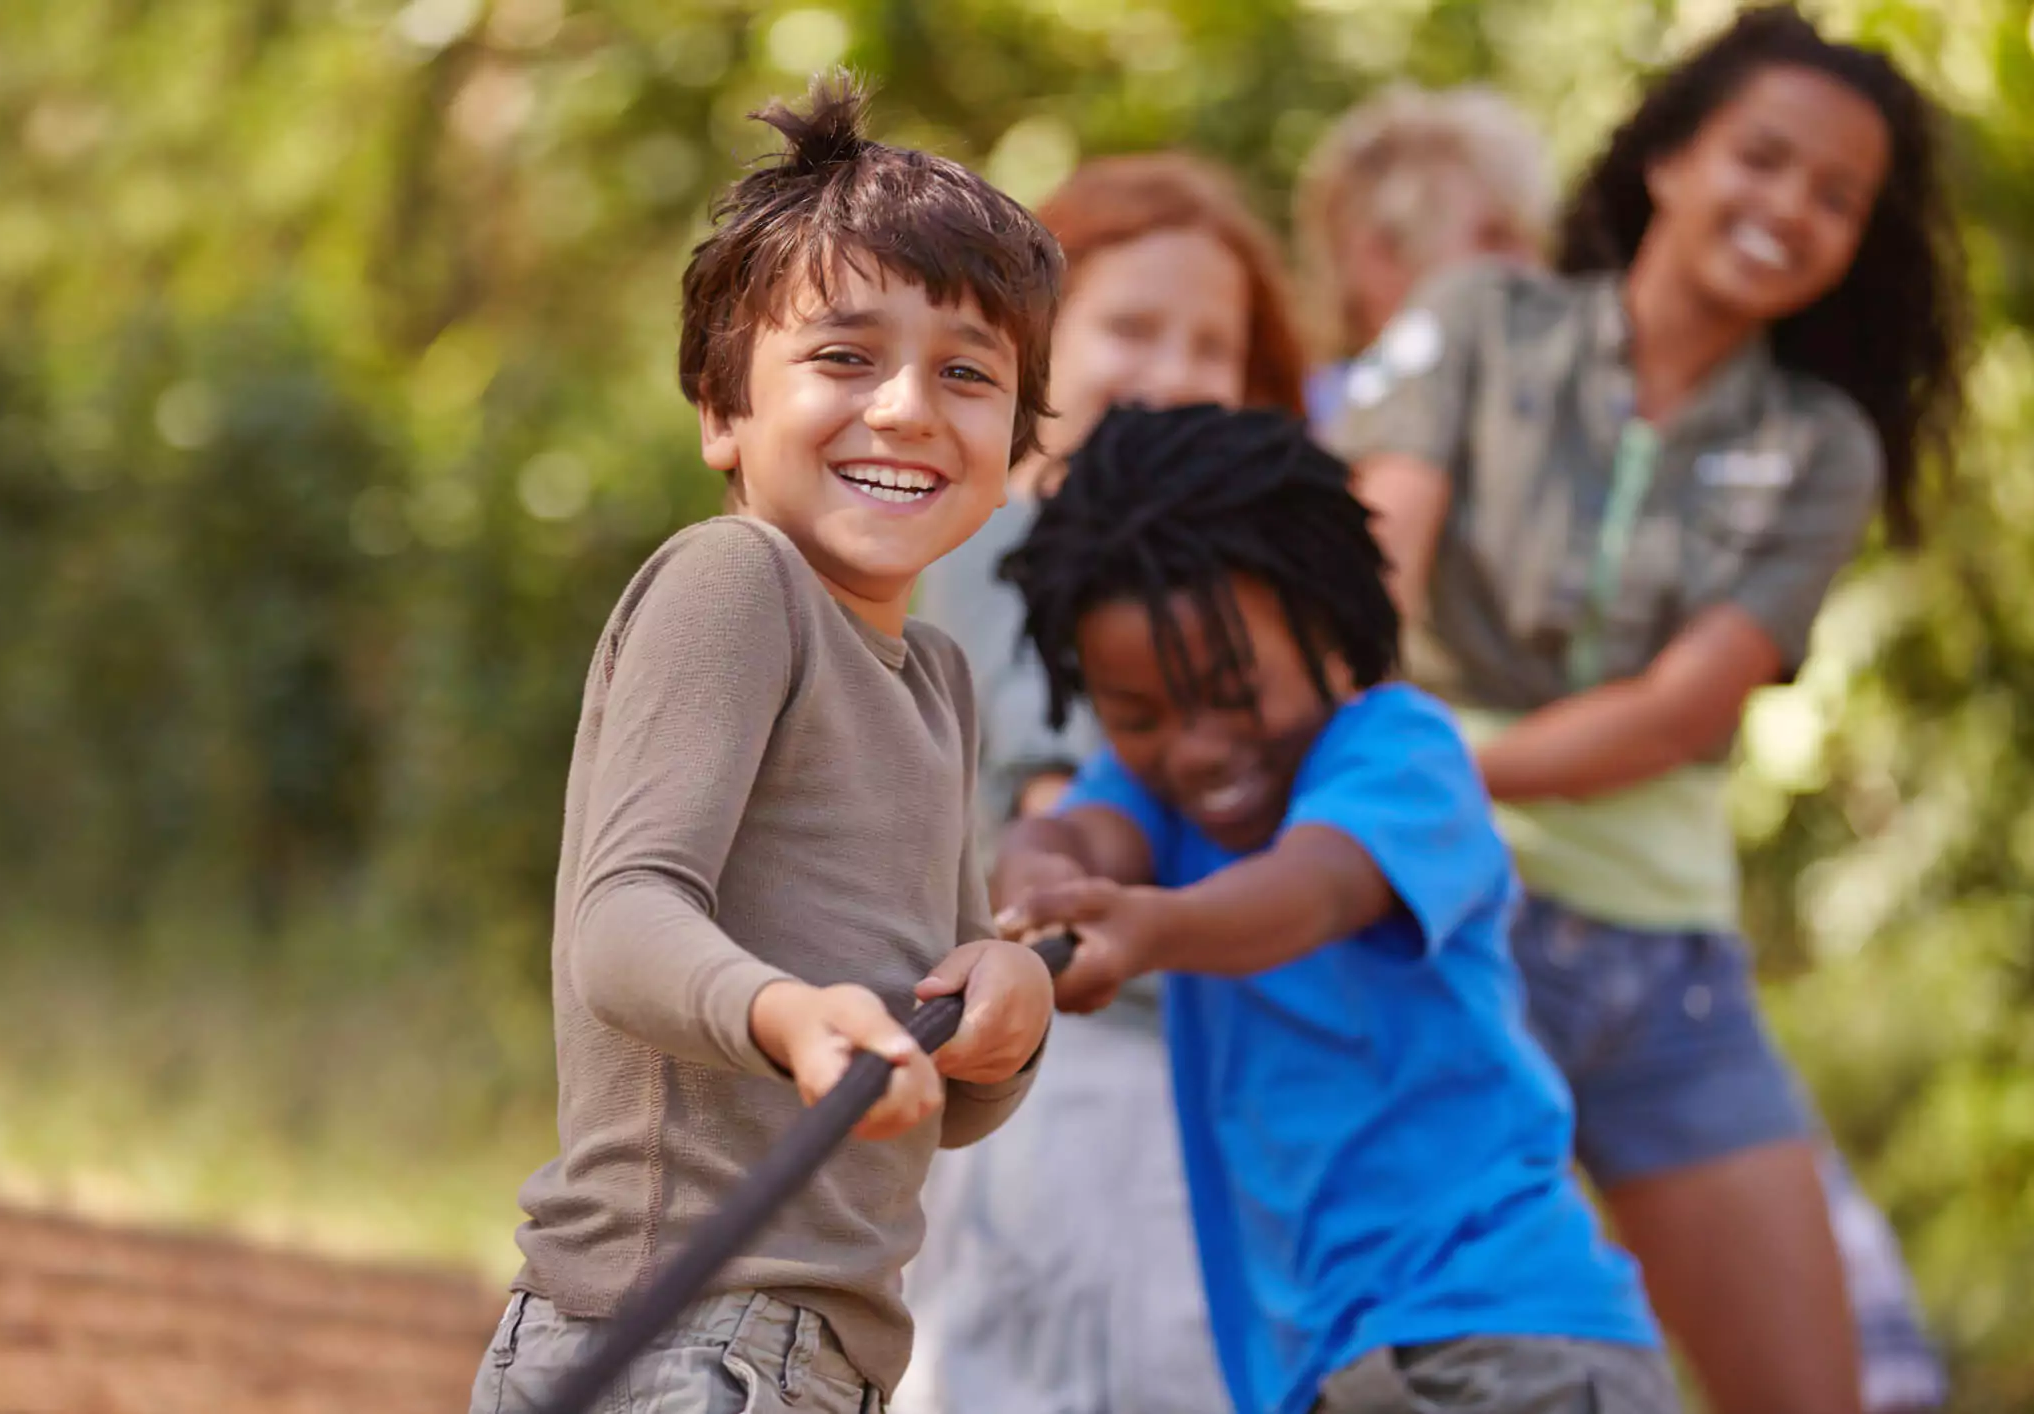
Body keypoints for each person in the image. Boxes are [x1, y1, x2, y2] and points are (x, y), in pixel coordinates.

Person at [1333, 9, 1970, 1414]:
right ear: (1672, 158)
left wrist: (1438, 754)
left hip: (1663, 973)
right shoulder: (1477, 322)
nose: (1789, 208)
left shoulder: (1818, 445)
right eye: (1762, 158)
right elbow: (1362, 582)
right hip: (1443, 928)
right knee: (1419, 1375)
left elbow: (1681, 714)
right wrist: (1411, 798)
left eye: (1836, 197)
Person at [466, 74, 1063, 1414]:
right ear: (722, 408)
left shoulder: (934, 678)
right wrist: (786, 1014)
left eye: (967, 373)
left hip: (807, 1350)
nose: (908, 408)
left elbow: (924, 1087)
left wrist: (1002, 1020)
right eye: (845, 357)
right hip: (680, 1328)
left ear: (1013, 441)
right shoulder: (736, 581)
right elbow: (618, 922)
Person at [990, 401, 1680, 1414]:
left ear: (1332, 628)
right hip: (1324, 1374)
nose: (1197, 748)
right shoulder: (1155, 801)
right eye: (1138, 716)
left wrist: (1149, 927)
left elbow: (1311, 889)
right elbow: (1067, 836)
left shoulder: (1400, 754)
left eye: (1234, 690)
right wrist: (1035, 887)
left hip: (1500, 1342)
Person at [902, 152, 1307, 1414]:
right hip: (1071, 1070)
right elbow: (1054, 810)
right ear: (1037, 344)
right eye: (1132, 327)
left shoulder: (1249, 586)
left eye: (1212, 347)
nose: (1172, 370)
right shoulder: (1015, 539)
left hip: (1212, 1064)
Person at [1292, 83, 1553, 436]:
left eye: (1532, 242)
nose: (1532, 269)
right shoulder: (1306, 434)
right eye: (1493, 239)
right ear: (1380, 257)